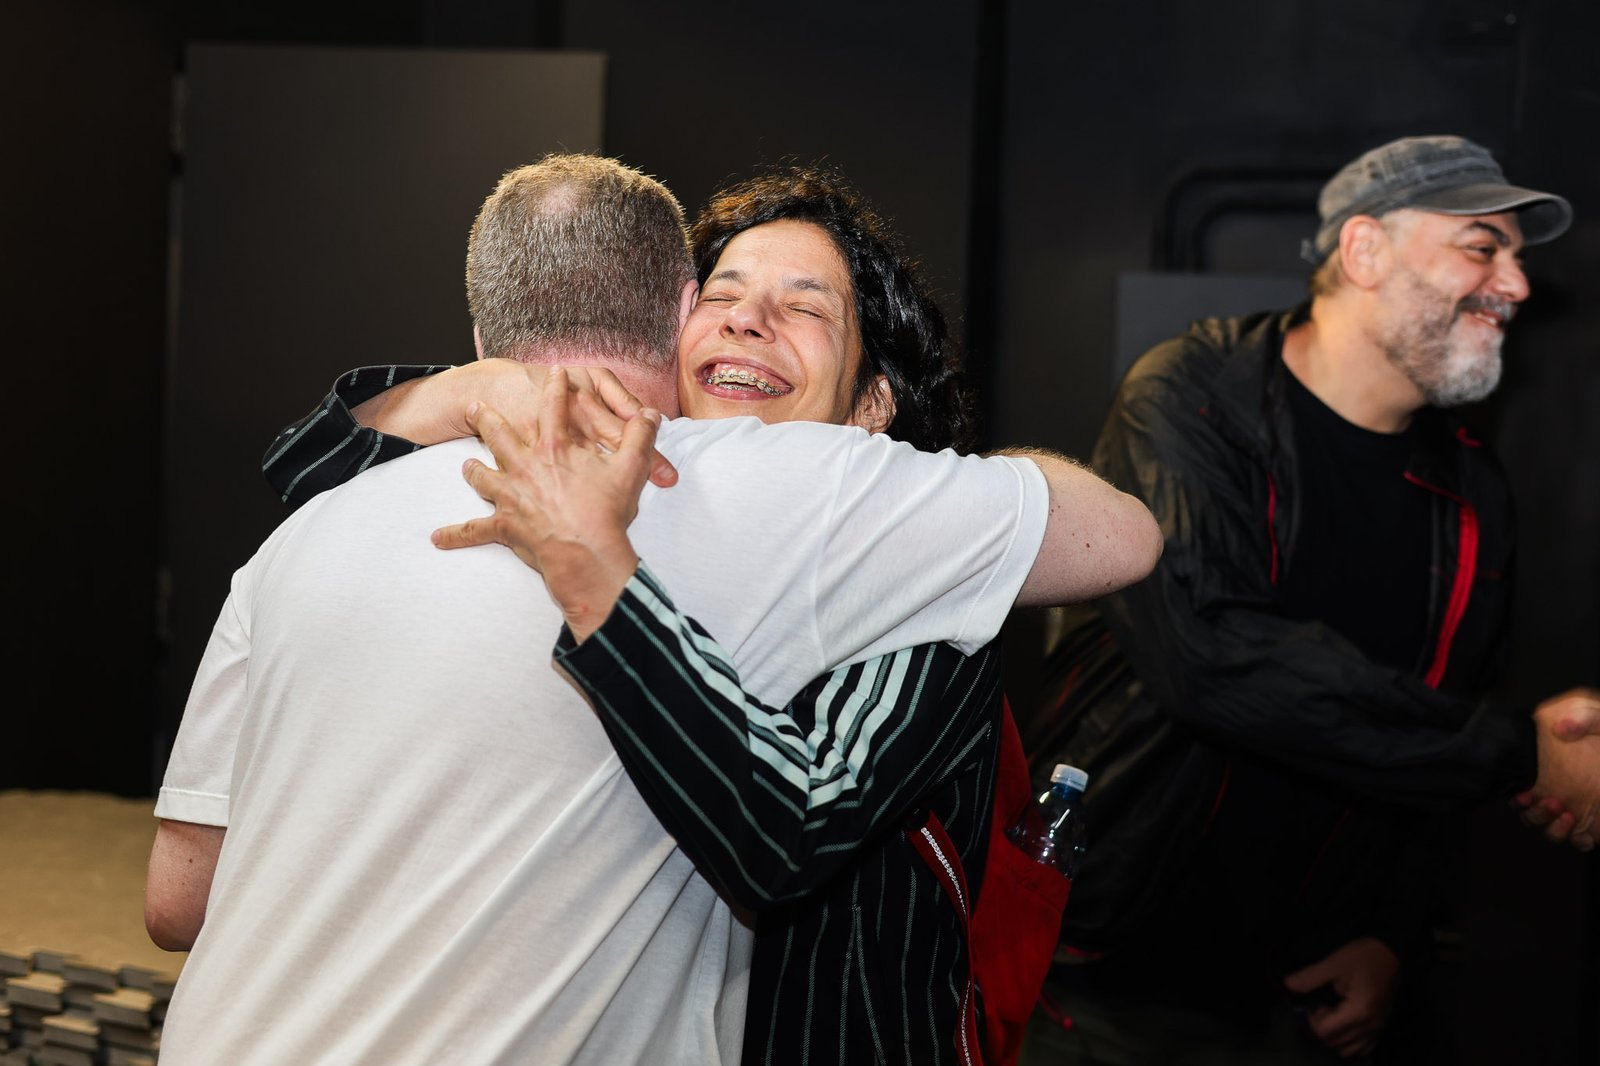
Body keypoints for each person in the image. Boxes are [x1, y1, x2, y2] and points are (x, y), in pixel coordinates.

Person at [148, 155, 1160, 1066]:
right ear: (669, 333)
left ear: (870, 413)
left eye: (805, 306)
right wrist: (464, 391)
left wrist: (597, 571)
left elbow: (789, 835)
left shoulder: (910, 584)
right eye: (720, 295)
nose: (748, 318)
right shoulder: (658, 491)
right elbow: (316, 466)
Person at [1008, 134, 1600, 1066]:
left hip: (1301, 995)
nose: (1516, 285)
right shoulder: (1192, 396)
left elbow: (1419, 723)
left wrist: (1392, 933)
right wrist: (1527, 753)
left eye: (1518, 258)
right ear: (1363, 251)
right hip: (1108, 972)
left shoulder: (1476, 494)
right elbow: (1213, 654)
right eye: (1484, 246)